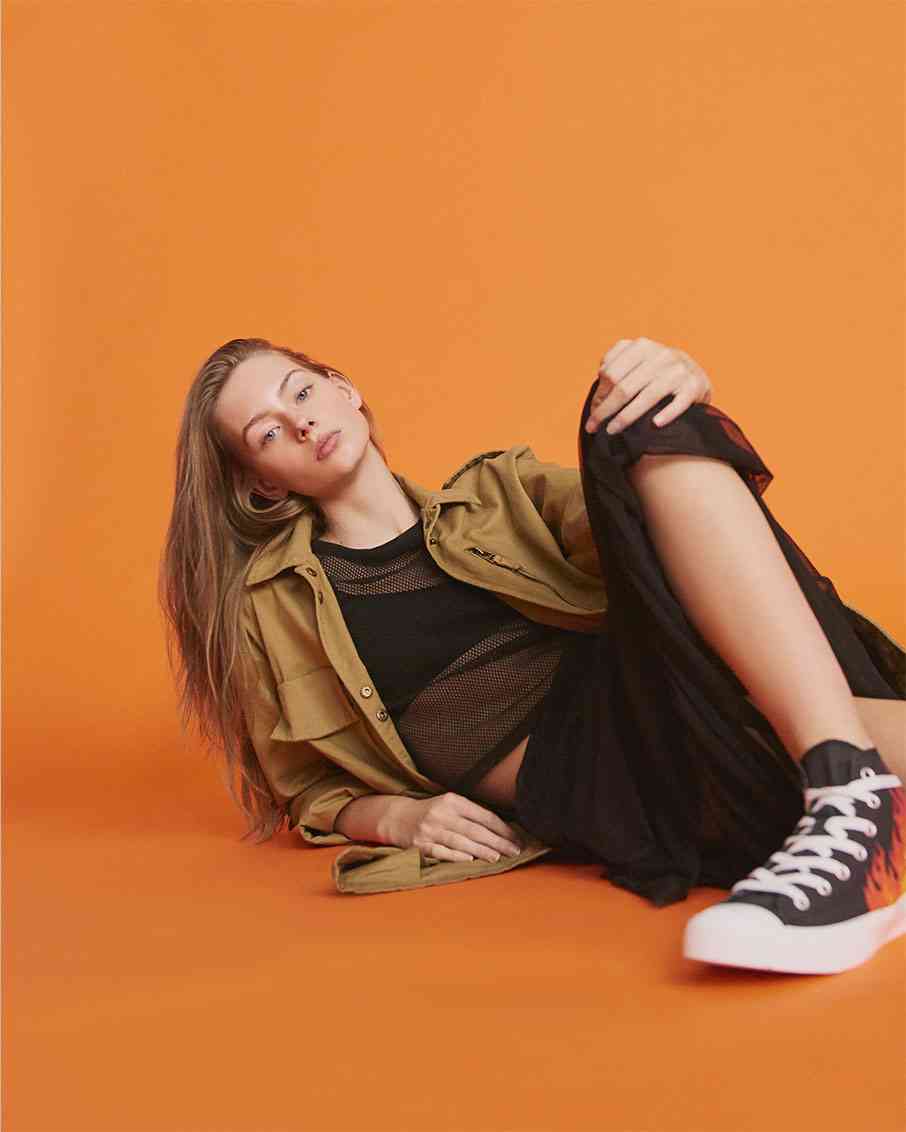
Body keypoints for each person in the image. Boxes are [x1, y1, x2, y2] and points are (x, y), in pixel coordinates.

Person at [158, 335, 906, 976]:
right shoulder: (277, 604)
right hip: (601, 771)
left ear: (344, 390)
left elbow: (650, 527)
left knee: (640, 418)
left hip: (676, 683)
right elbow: (304, 786)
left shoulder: (500, 492)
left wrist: (675, 384)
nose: (301, 421)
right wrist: (394, 818)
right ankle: (852, 791)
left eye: (302, 391)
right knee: (825, 729)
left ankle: (848, 798)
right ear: (263, 482)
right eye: (268, 432)